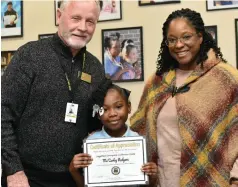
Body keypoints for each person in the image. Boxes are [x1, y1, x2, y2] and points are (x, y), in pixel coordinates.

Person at [1, 1, 106, 187]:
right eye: (76, 18)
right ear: (59, 16)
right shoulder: (29, 56)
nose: (83, 27)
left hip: (75, 178)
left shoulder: (95, 68)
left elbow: (98, 124)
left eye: (90, 21)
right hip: (27, 178)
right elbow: (3, 113)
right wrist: (13, 170)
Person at [130, 8, 238, 187]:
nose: (179, 45)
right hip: (161, 182)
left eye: (186, 37)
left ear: (200, 36)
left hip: (212, 180)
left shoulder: (226, 78)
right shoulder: (156, 82)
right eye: (171, 40)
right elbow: (137, 131)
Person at [69, 78, 158, 186]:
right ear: (98, 114)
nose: (112, 114)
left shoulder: (138, 142)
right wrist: (73, 170)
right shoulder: (91, 142)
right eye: (105, 109)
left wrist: (152, 175)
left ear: (129, 107)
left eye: (118, 107)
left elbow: (146, 184)